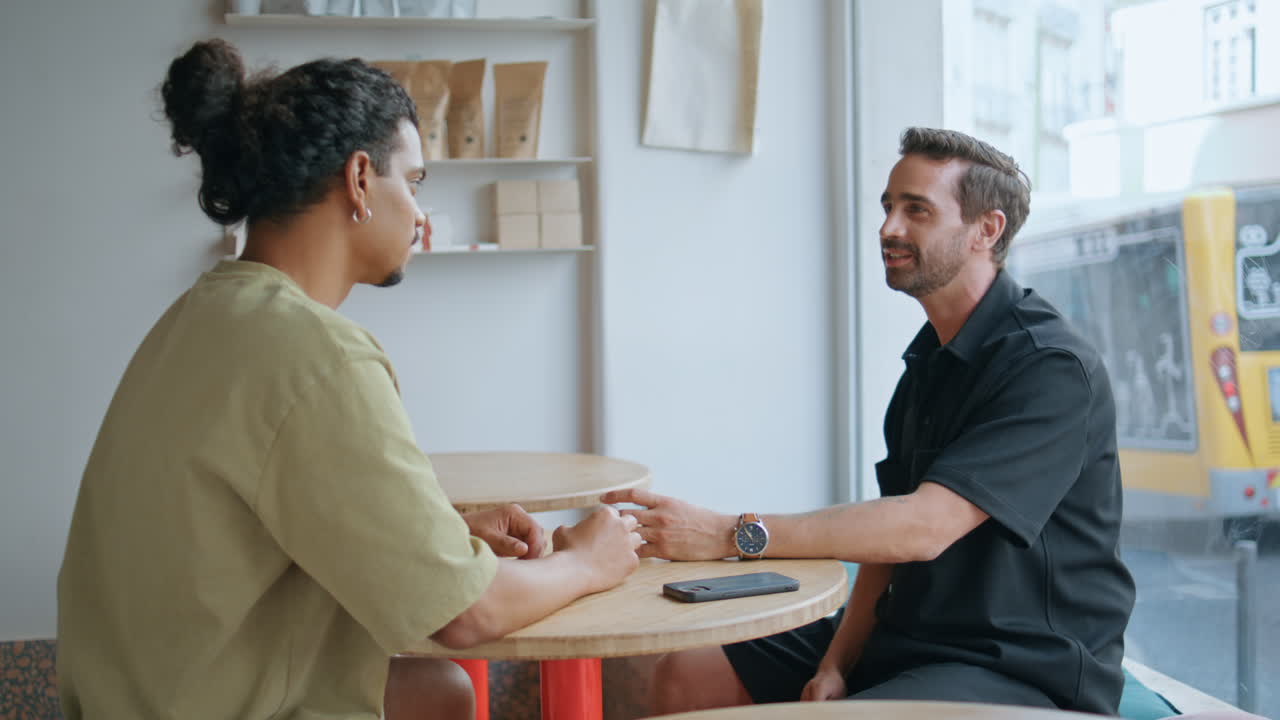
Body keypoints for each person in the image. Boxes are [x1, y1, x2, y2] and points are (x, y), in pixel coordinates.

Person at [55, 39, 641, 720]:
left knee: (440, 693)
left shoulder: (203, 317)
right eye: (414, 182)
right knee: (447, 681)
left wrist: (434, 527)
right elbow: (463, 614)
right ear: (361, 179)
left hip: (126, 700)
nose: (421, 214)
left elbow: (249, 516)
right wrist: (588, 563)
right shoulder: (317, 354)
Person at [603, 127, 1136, 716]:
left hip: (1019, 667)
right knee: (689, 673)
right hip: (908, 640)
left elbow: (922, 528)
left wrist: (732, 534)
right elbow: (891, 541)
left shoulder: (1049, 368)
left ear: (986, 230)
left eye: (917, 210)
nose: (888, 229)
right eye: (888, 207)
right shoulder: (930, 359)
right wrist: (837, 660)